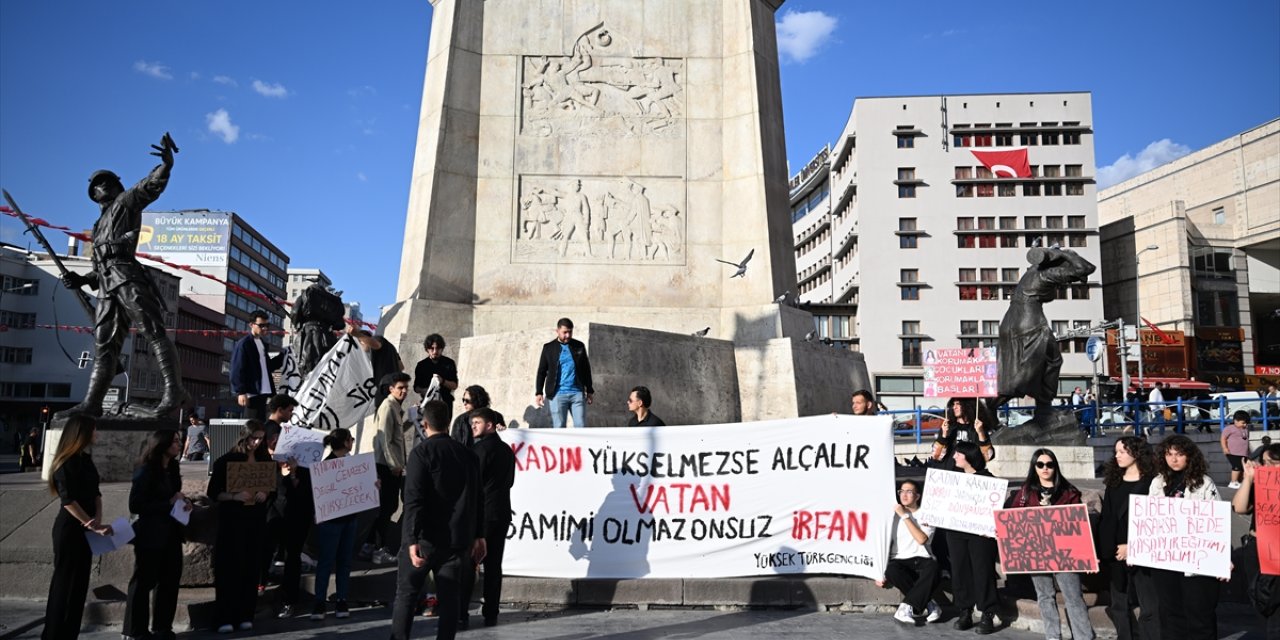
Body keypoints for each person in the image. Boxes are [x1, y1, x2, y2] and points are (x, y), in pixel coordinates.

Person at [57, 134, 190, 420]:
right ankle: (92, 403)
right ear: (92, 195)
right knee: (105, 344)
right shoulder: (98, 224)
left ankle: (174, 390)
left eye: (105, 182)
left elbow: (150, 186)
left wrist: (166, 165)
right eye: (96, 186)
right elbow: (100, 264)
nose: (100, 187)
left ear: (116, 185)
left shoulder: (125, 202)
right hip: (106, 284)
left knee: (153, 330)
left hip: (126, 276)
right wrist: (81, 281)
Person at [390, 400, 481, 640]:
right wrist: (478, 535)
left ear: (425, 424)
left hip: (425, 539)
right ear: (449, 423)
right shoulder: (467, 455)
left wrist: (410, 538)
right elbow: (477, 498)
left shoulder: (421, 453)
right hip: (457, 540)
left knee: (407, 595)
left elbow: (413, 500)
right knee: (450, 598)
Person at [1005, 449, 1094, 640]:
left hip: (1065, 553)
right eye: (1040, 464)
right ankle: (1053, 636)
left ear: (1055, 466)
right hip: (1036, 552)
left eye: (1049, 464)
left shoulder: (1069, 492)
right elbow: (1013, 519)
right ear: (1034, 467)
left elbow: (1078, 524)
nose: (1045, 468)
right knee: (1044, 596)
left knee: (1073, 597)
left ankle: (1084, 636)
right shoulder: (1025, 493)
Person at [43, 415, 112, 640]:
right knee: (64, 584)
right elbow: (68, 500)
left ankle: (70, 634)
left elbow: (96, 493)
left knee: (80, 584)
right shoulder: (66, 461)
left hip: (87, 528)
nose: (96, 434)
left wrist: (97, 520)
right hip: (70, 529)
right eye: (93, 430)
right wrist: (89, 522)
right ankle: (54, 635)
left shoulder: (86, 459)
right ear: (81, 433)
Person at [1148, 435, 1221, 640]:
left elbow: (1217, 521)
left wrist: (1221, 559)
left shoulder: (1204, 483)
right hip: (1166, 560)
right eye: (1169, 454)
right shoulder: (1157, 482)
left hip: (1197, 561)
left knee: (1200, 615)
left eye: (1179, 454)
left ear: (1189, 456)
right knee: (1170, 614)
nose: (1174, 459)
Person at [124, 430, 191, 640]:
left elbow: (174, 494)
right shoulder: (146, 470)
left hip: (172, 531)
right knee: (143, 582)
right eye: (175, 442)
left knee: (170, 581)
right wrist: (168, 504)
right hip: (150, 534)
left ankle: (163, 627)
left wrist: (185, 502)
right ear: (161, 444)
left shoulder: (172, 467)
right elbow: (135, 504)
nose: (179, 445)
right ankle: (136, 630)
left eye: (180, 441)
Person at [208, 422, 271, 633]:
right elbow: (214, 492)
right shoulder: (226, 461)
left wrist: (265, 493)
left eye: (261, 438)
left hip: (255, 521)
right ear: (244, 437)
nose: (257, 442)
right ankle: (225, 616)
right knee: (230, 569)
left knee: (251, 568)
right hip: (233, 522)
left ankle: (246, 614)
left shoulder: (264, 459)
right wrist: (234, 496)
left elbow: (270, 486)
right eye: (254, 438)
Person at [1096, 436, 1159, 640]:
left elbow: (1155, 521)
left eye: (1122, 451)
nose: (1117, 456)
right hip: (1115, 553)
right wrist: (1105, 549)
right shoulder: (1113, 482)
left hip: (1142, 552)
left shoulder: (1153, 483)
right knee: (1119, 604)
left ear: (1136, 452)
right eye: (1116, 452)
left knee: (1149, 604)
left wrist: (1131, 546)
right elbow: (1106, 518)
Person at [459, 408, 516, 628]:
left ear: (490, 425)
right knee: (494, 565)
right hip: (500, 513)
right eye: (472, 422)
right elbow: (509, 481)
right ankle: (491, 610)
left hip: (480, 515)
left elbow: (472, 485)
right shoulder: (506, 450)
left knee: (468, 564)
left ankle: (461, 612)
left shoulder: (478, 451)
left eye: (477, 422)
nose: (473, 426)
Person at [944, 440, 1000, 634]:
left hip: (980, 534)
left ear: (968, 457)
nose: (954, 457)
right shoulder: (952, 478)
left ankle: (987, 613)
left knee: (983, 570)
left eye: (958, 454)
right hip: (956, 532)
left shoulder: (987, 479)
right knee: (960, 571)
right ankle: (964, 610)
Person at [311, 429, 362, 621]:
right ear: (345, 442)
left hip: (349, 519)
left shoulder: (354, 463)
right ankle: (319, 601)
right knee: (326, 561)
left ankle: (341, 598)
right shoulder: (327, 465)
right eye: (351, 439)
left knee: (344, 561)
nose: (352, 442)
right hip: (331, 522)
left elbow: (360, 486)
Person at [875, 478, 941, 625]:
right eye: (901, 491)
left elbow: (922, 539)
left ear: (917, 496)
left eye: (909, 492)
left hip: (922, 558)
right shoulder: (891, 516)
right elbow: (883, 541)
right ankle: (930, 604)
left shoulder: (927, 514)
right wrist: (877, 571)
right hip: (900, 560)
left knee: (934, 569)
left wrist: (905, 516)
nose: (904, 495)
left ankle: (905, 607)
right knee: (891, 571)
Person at [1232, 443, 1280, 637]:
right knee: (1261, 602)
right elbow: (1239, 508)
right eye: (1265, 462)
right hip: (1258, 549)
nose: (1268, 467)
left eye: (1274, 463)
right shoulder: (1260, 482)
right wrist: (1249, 479)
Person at [369, 372, 412, 566]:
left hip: (391, 464)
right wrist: (394, 464)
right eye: (400, 387)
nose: (404, 391)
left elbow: (396, 434)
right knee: (387, 507)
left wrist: (410, 420)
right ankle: (379, 548)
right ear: (391, 389)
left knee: (389, 506)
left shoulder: (395, 407)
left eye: (405, 387)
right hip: (387, 465)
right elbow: (384, 438)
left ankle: (371, 545)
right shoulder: (388, 406)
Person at [534, 317, 594, 428]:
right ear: (557, 331)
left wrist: (589, 390)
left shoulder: (579, 346)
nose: (567, 335)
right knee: (559, 426)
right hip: (557, 394)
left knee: (581, 426)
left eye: (570, 332)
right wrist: (539, 392)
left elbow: (586, 369)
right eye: (564, 332)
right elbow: (542, 371)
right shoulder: (548, 348)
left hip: (577, 393)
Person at [230, 310, 284, 421]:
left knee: (261, 426)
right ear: (251, 325)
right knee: (252, 427)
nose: (265, 328)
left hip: (264, 392)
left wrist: (284, 355)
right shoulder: (244, 344)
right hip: (252, 393)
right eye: (261, 325)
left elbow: (268, 367)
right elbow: (237, 369)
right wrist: (241, 392)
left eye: (267, 325)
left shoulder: (262, 344)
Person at [351, 327, 405, 411]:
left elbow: (375, 344)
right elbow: (401, 367)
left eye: (358, 344)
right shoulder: (390, 349)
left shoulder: (378, 340)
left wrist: (356, 334)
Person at [930, 398, 994, 464]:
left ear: (967, 405)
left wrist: (981, 433)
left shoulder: (978, 428)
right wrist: (943, 436)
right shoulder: (948, 427)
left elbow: (988, 457)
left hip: (970, 471)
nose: (954, 407)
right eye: (953, 404)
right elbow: (936, 456)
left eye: (958, 404)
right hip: (951, 471)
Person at [414, 333, 459, 422]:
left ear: (442, 349)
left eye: (438, 348)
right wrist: (426, 390)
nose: (435, 351)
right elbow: (416, 387)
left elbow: (454, 385)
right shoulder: (421, 365)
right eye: (432, 348)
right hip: (428, 404)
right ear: (427, 349)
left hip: (445, 404)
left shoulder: (449, 363)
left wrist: (442, 381)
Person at [1221, 410, 1250, 489]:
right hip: (1233, 452)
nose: (1245, 424)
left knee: (1241, 468)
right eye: (1243, 423)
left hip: (1243, 453)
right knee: (1236, 466)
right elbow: (1223, 438)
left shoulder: (1245, 429)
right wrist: (1225, 448)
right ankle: (1233, 482)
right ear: (1235, 421)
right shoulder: (1229, 428)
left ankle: (1238, 482)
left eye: (1246, 423)